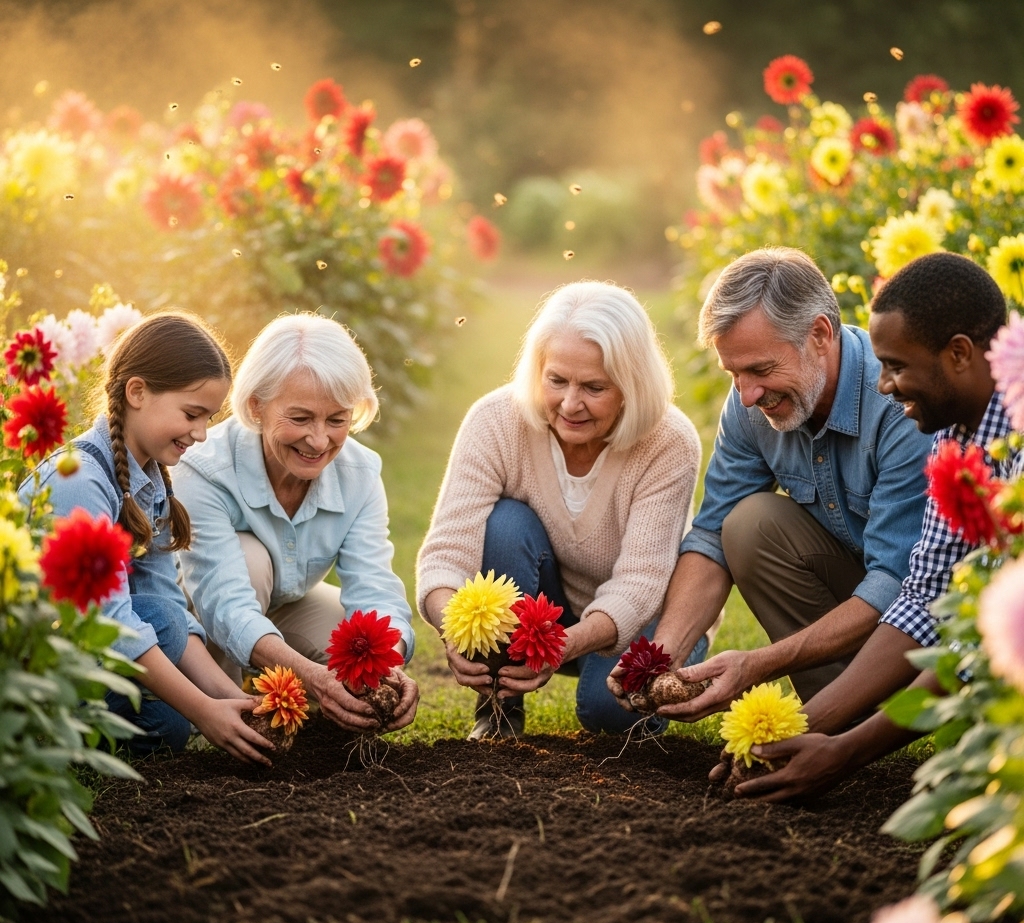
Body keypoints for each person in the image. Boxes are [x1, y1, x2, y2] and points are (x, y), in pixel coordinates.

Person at [725, 252, 1023, 801]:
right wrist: (799, 730)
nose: (884, 386)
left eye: (897, 367)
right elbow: (926, 600)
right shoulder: (955, 438)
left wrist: (850, 751)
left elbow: (982, 642)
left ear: (959, 353)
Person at [608, 247, 932, 720]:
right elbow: (713, 535)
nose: (747, 394)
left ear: (820, 334)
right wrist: (661, 654)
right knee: (747, 525)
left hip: (928, 618)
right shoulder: (749, 404)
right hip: (862, 593)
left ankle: (860, 711)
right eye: (733, 373)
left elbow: (897, 585)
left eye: (760, 369)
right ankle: (837, 712)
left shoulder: (898, 407)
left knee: (756, 525)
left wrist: (757, 666)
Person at [416, 280, 705, 740]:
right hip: (549, 609)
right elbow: (447, 552)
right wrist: (453, 629)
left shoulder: (668, 442)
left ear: (632, 386)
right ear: (538, 372)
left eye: (594, 387)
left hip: (644, 617)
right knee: (506, 525)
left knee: (606, 714)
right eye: (556, 381)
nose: (571, 404)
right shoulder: (495, 421)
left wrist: (562, 645)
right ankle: (499, 704)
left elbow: (643, 581)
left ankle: (673, 673)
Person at [25, 311, 275, 764]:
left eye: (209, 418)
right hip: (33, 663)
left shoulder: (150, 482)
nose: (201, 434)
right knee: (161, 637)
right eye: (191, 414)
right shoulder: (80, 481)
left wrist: (233, 700)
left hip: (81, 656)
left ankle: (68, 735)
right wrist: (204, 710)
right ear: (136, 392)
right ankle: (38, 735)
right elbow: (117, 625)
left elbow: (168, 606)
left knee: (170, 723)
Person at [173, 313, 419, 735]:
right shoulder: (206, 469)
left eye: (337, 420)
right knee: (251, 561)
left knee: (362, 645)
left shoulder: (359, 473)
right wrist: (315, 679)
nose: (320, 441)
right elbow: (226, 602)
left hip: (287, 604)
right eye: (301, 418)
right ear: (256, 406)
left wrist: (388, 663)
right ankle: (223, 698)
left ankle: (290, 684)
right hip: (198, 611)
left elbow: (374, 587)